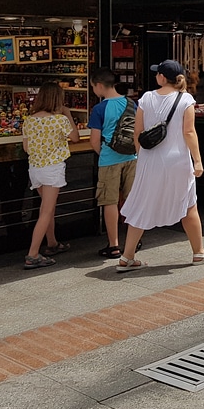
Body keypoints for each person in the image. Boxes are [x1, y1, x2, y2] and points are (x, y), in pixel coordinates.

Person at [115, 60, 204, 271]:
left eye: (157, 74)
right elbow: (189, 132)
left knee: (140, 206)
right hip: (177, 160)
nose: (156, 76)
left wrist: (141, 156)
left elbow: (137, 132)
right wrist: (198, 160)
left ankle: (127, 257)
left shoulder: (146, 97)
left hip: (149, 160)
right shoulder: (186, 99)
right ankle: (199, 252)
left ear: (162, 77)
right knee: (189, 205)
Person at [21, 82, 80, 269]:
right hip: (52, 168)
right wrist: (68, 114)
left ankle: (52, 242)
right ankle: (33, 254)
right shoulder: (60, 120)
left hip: (35, 168)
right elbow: (76, 138)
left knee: (48, 209)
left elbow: (26, 147)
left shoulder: (29, 120)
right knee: (46, 212)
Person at [89, 68, 138, 259]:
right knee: (132, 200)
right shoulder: (131, 103)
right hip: (132, 158)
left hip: (109, 160)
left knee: (109, 202)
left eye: (93, 86)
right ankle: (134, 240)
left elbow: (94, 140)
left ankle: (114, 245)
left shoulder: (100, 109)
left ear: (99, 85)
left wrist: (106, 153)